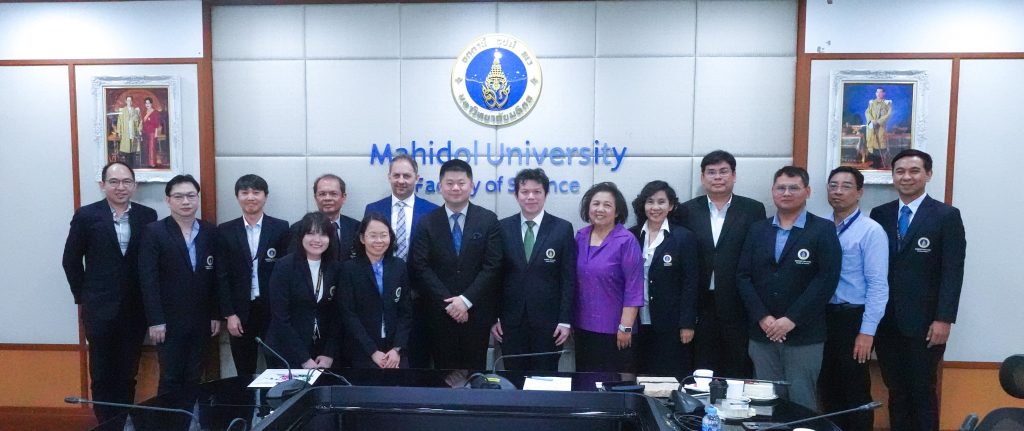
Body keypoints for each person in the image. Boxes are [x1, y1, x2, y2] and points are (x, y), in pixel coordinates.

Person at [869, 149, 966, 431]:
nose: (906, 177)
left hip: (926, 323)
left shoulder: (946, 216)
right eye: (900, 171)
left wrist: (944, 319)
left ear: (928, 174)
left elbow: (953, 271)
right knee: (896, 390)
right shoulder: (880, 214)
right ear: (892, 176)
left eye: (914, 171)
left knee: (922, 390)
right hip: (887, 321)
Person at [736, 166, 841, 410]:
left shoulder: (823, 229)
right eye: (781, 188)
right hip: (763, 332)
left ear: (807, 191)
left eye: (793, 188)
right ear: (773, 191)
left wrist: (791, 319)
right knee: (765, 402)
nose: (786, 193)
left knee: (801, 402)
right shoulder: (757, 229)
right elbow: (743, 276)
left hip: (803, 335)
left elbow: (826, 279)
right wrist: (763, 317)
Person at [62, 162, 157, 424]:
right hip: (98, 309)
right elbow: (71, 260)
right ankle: (106, 424)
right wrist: (83, 297)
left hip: (135, 309)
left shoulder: (147, 216)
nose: (120, 187)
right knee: (102, 373)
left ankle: (123, 421)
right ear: (102, 185)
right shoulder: (86, 216)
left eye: (126, 182)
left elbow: (150, 262)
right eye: (114, 182)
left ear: (134, 186)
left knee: (128, 373)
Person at [677, 150, 766, 378]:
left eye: (723, 171)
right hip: (701, 304)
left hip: (738, 304)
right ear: (702, 177)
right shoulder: (686, 211)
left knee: (737, 370)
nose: (718, 177)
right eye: (711, 172)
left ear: (734, 175)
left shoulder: (753, 210)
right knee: (701, 370)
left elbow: (758, 257)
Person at [410, 159, 502, 370]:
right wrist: (450, 304)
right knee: (443, 375)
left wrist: (466, 301)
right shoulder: (427, 222)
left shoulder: (488, 220)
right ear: (440, 186)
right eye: (449, 183)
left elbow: (493, 266)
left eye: (461, 183)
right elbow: (421, 266)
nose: (455, 188)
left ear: (472, 185)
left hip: (476, 314)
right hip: (439, 314)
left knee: (475, 375)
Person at [818, 166, 889, 431]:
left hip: (853, 319)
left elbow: (878, 286)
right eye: (833, 186)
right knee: (827, 388)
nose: (838, 191)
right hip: (822, 318)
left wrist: (867, 332)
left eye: (846, 186)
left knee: (855, 391)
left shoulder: (871, 231)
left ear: (860, 192)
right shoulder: (820, 227)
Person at [139, 174, 221, 396]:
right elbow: (148, 279)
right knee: (170, 377)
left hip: (201, 319)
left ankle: (190, 416)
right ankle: (167, 416)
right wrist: (155, 320)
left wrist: (215, 314)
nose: (186, 201)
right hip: (168, 321)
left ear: (197, 198)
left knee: (195, 376)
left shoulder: (210, 232)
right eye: (179, 196)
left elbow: (216, 278)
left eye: (191, 196)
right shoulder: (154, 232)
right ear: (168, 200)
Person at [492, 169, 577, 372]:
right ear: (516, 195)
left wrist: (565, 321)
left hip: (550, 324)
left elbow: (568, 279)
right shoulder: (502, 228)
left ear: (545, 194)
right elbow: (495, 276)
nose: (531, 197)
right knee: (513, 378)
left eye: (537, 191)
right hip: (510, 323)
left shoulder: (562, 228)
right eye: (525, 192)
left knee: (545, 379)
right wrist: (494, 317)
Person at [364, 154, 438, 368]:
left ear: (417, 178)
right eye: (396, 175)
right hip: (381, 298)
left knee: (418, 358)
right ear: (389, 177)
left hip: (420, 297)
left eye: (407, 175)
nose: (401, 180)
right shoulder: (373, 209)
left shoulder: (432, 211)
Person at [215, 174, 290, 377]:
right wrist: (229, 314)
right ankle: (246, 400)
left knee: (277, 369)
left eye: (256, 192)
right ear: (237, 196)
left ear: (265, 196)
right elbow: (222, 276)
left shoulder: (281, 228)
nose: (251, 197)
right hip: (240, 313)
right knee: (244, 370)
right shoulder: (225, 230)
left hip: (272, 311)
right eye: (245, 192)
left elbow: (286, 274)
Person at [628, 180, 699, 378]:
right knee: (639, 375)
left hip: (671, 324)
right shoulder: (631, 235)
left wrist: (687, 323)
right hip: (637, 321)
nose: (655, 207)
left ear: (671, 206)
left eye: (661, 202)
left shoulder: (683, 237)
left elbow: (691, 283)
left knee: (669, 376)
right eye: (650, 202)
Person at [573, 182, 643, 372]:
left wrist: (625, 327)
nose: (600, 209)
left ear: (617, 211)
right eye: (596, 204)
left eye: (607, 205)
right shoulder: (580, 237)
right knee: (585, 381)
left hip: (616, 330)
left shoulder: (626, 241)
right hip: (582, 327)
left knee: (613, 383)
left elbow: (634, 288)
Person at [265, 212, 341, 370]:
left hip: (321, 353)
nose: (317, 240)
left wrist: (329, 353)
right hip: (287, 352)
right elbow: (280, 317)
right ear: (301, 236)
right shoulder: (284, 266)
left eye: (323, 234)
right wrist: (303, 358)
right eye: (311, 233)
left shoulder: (335, 268)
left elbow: (337, 315)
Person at [337, 213, 413, 368]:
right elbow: (348, 314)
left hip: (395, 350)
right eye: (373, 236)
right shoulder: (349, 269)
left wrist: (397, 349)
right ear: (362, 238)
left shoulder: (399, 266)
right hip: (362, 350)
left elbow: (405, 311)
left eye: (383, 235)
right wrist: (372, 351)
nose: (379, 240)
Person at [294, 174, 359, 262]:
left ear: (343, 197)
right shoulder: (298, 228)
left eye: (333, 194)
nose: (327, 198)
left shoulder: (356, 227)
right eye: (322, 194)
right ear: (315, 197)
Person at [865, 87, 893, 168]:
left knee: (880, 142)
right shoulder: (871, 103)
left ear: (884, 93)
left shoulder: (887, 103)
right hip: (871, 125)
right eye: (877, 92)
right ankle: (874, 162)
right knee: (871, 141)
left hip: (881, 126)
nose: (878, 94)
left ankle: (880, 162)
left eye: (880, 92)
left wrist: (878, 121)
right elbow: (867, 112)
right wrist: (871, 120)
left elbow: (889, 114)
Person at [114, 95, 141, 164]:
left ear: (132, 102)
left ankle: (133, 165)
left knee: (133, 149)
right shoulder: (122, 110)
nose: (129, 101)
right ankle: (127, 164)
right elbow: (119, 121)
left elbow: (139, 121)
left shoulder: (135, 111)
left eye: (130, 100)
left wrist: (139, 130)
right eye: (128, 100)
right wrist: (119, 131)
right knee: (126, 149)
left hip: (133, 131)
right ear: (126, 101)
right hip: (125, 131)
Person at [141, 97, 164, 168]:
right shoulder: (144, 112)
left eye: (148, 103)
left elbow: (157, 124)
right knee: (146, 148)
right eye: (146, 103)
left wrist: (156, 134)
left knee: (152, 148)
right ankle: (148, 163)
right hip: (145, 133)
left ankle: (152, 163)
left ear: (151, 104)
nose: (147, 104)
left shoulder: (155, 112)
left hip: (152, 133)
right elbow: (142, 122)